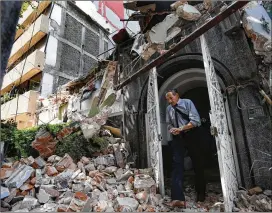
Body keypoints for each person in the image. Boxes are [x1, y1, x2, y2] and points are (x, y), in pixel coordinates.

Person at [165, 89, 206, 208]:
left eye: (170, 98)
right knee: (176, 164)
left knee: (197, 163)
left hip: (192, 135)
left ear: (177, 95)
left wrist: (181, 128)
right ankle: (177, 197)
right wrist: (172, 129)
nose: (169, 101)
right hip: (178, 138)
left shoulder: (187, 103)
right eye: (167, 99)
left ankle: (201, 193)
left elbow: (196, 121)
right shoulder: (169, 109)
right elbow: (169, 124)